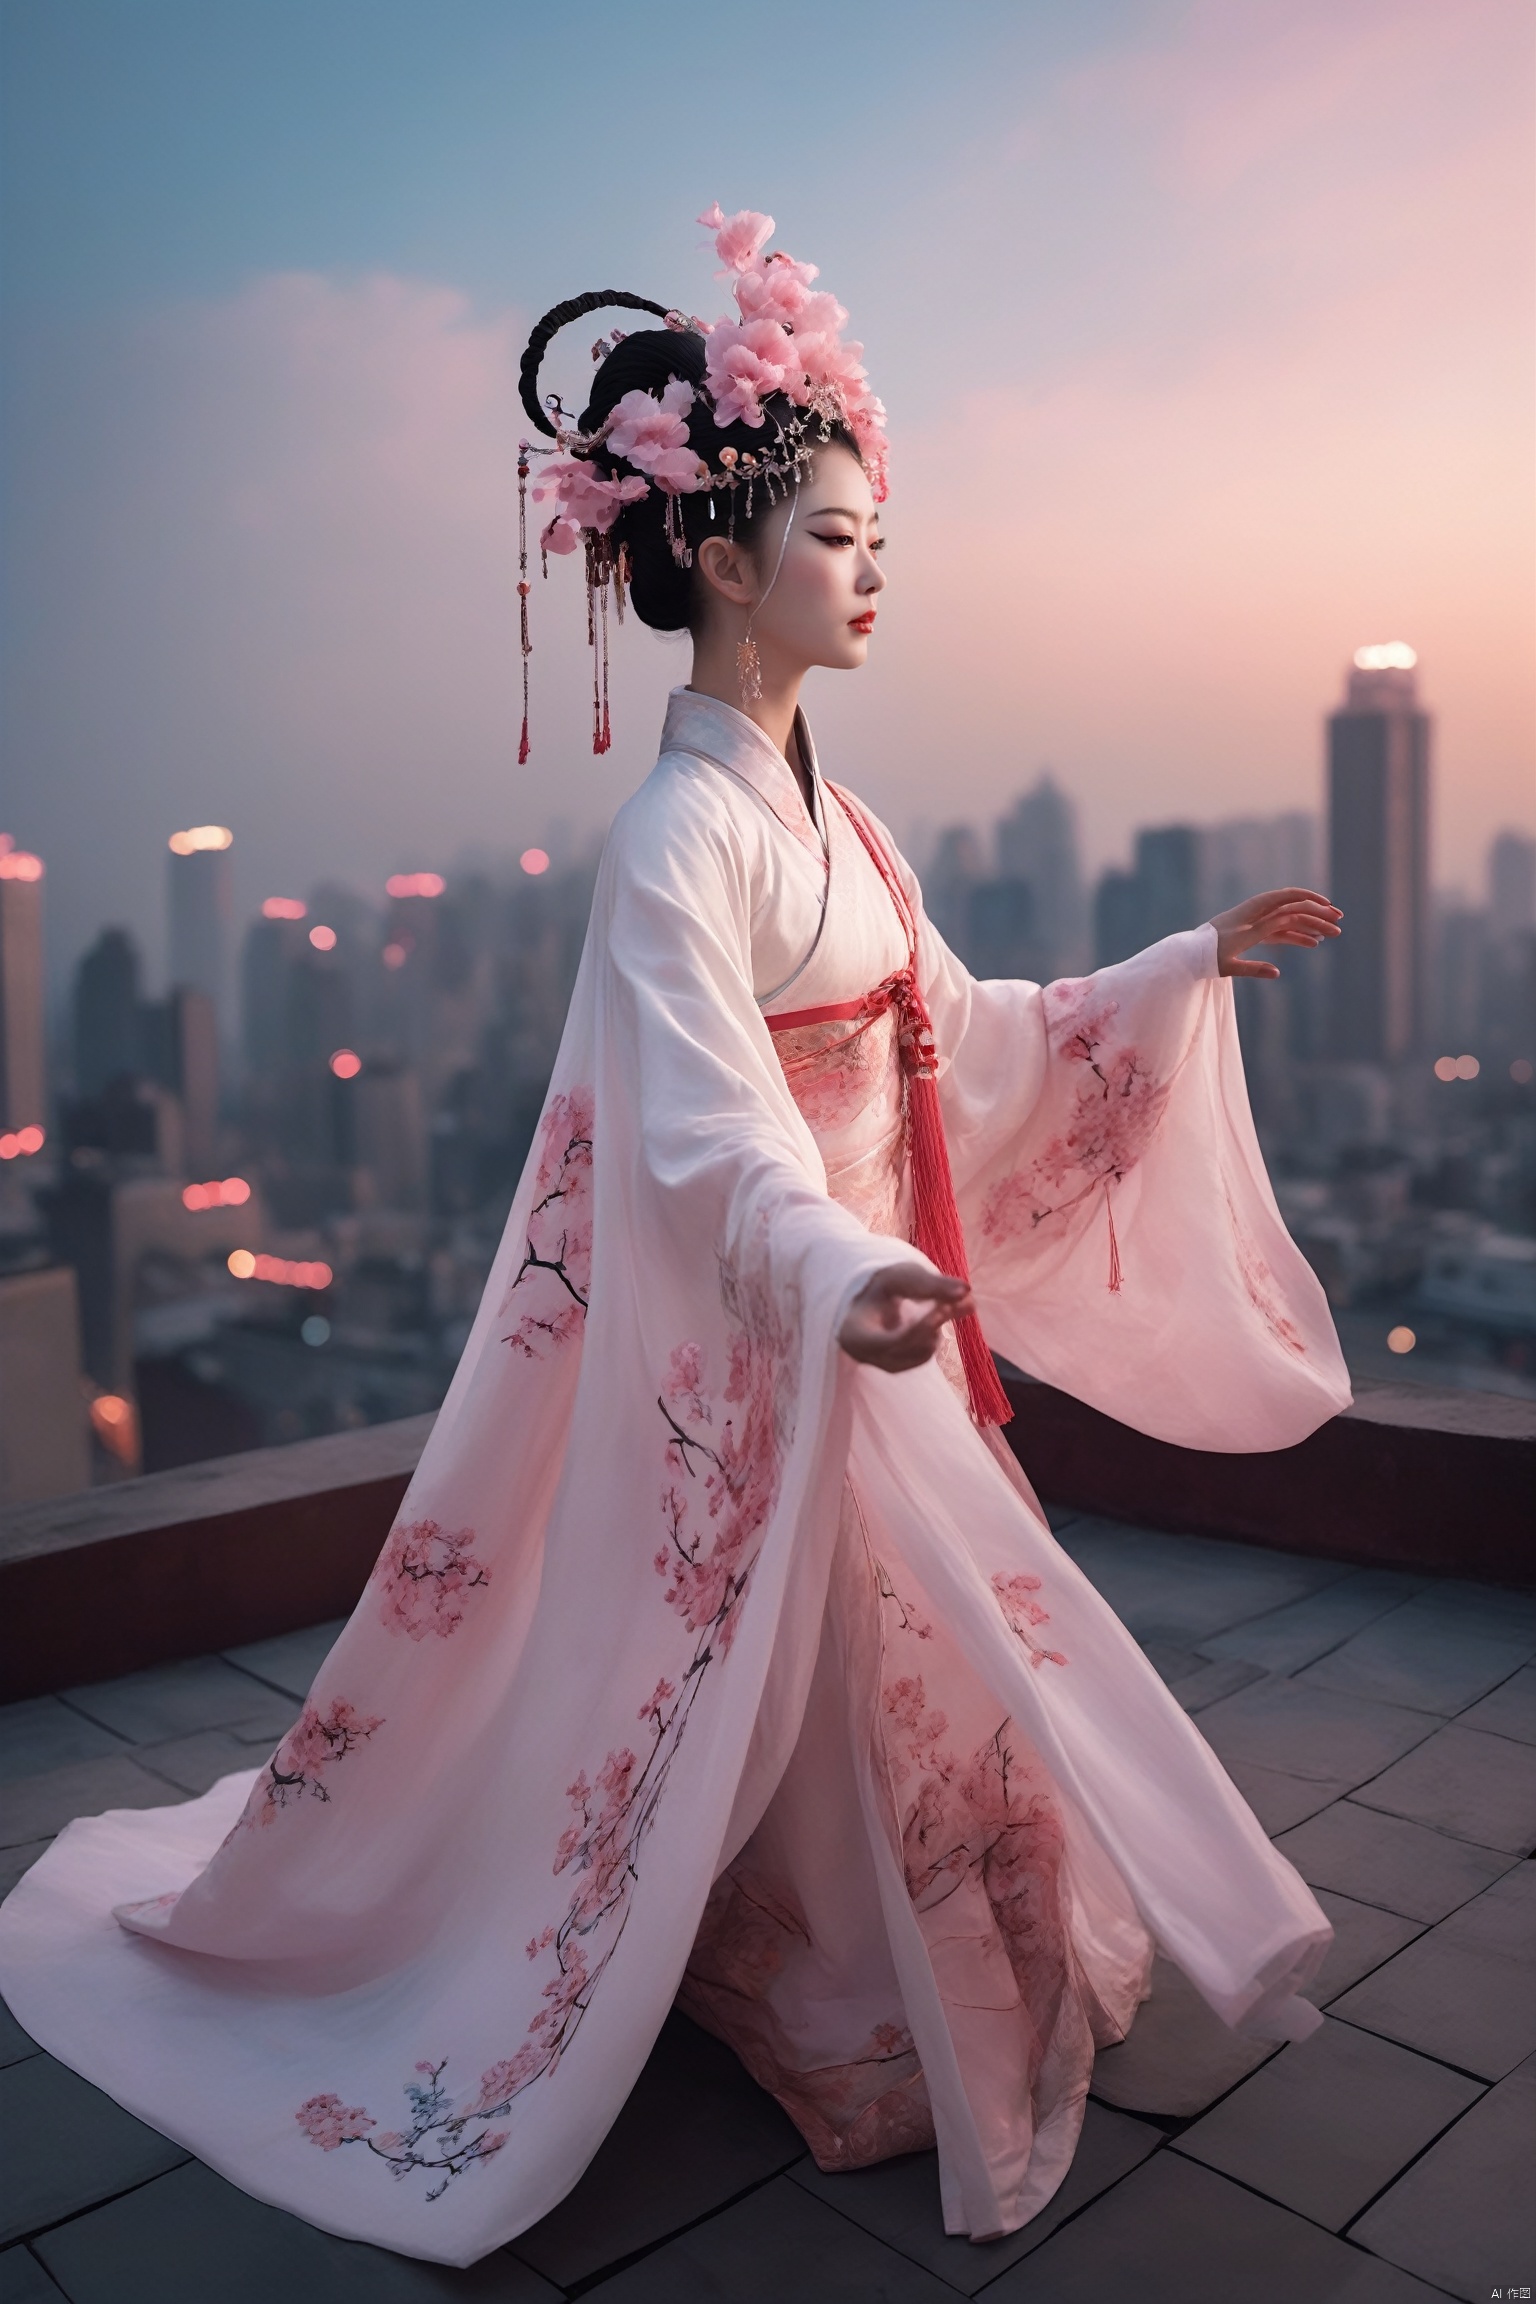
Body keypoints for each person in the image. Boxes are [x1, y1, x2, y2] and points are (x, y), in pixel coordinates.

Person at [0, 207, 1350, 2268]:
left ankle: (847, 1970)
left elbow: (962, 1037)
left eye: (879, 538)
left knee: (934, 1680)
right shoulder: (681, 839)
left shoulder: (847, 825)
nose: (872, 573)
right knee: (893, 1675)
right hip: (802, 1336)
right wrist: (836, 1268)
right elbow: (712, 1130)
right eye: (834, 537)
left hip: (870, 1330)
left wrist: (1175, 971)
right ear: (717, 558)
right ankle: (822, 1994)